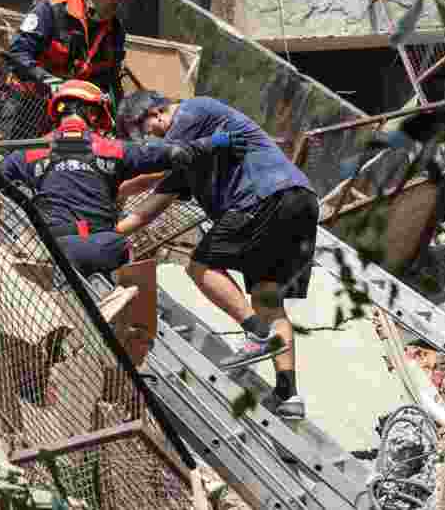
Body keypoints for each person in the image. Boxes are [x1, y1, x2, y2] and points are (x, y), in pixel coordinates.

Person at [115, 91, 320, 420]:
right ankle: (288, 394)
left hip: (261, 196)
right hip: (299, 203)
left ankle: (255, 332)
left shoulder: (195, 110)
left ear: (155, 113)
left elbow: (156, 159)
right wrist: (111, 229)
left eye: (147, 129)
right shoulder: (192, 155)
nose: (151, 136)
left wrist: (117, 170)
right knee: (268, 299)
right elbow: (147, 210)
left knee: (200, 266)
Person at [0, 80, 246, 278]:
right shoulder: (112, 149)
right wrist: (216, 142)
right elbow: (175, 153)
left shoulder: (28, 154)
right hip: (104, 248)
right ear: (93, 115)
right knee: (126, 266)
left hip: (51, 248)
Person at [0, 0, 138, 139]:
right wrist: (50, 82)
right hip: (25, 102)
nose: (117, 3)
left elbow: (110, 82)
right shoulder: (52, 10)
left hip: (67, 113)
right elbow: (17, 54)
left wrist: (119, 124)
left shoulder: (115, 33)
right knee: (0, 160)